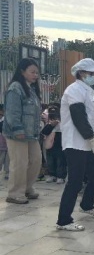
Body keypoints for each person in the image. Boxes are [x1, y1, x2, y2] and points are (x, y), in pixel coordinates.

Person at [56, 58, 94, 231]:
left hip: (89, 142)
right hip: (75, 142)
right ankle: (64, 221)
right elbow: (78, 117)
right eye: (91, 73)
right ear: (81, 73)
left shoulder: (89, 92)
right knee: (75, 182)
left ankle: (87, 205)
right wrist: (91, 139)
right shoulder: (74, 90)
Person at [2, 58, 43, 204]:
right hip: (17, 133)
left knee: (36, 160)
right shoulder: (15, 88)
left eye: (37, 72)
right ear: (22, 72)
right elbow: (12, 112)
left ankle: (27, 187)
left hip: (31, 134)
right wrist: (17, 129)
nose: (35, 75)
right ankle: (15, 193)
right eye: (32, 72)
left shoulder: (31, 89)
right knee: (19, 163)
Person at [41, 110, 67, 184]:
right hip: (50, 147)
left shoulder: (64, 125)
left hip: (60, 147)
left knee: (61, 162)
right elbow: (44, 132)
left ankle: (61, 176)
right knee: (50, 162)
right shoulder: (49, 125)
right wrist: (51, 125)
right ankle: (52, 175)